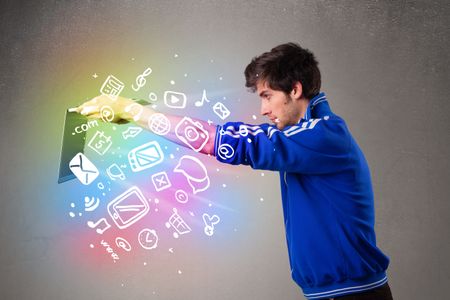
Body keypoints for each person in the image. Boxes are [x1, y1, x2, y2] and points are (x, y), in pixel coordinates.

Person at [75, 43, 393, 300]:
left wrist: (135, 112)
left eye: (268, 96)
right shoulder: (308, 135)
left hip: (354, 295)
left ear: (295, 89)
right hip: (335, 294)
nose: (263, 109)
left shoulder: (322, 136)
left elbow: (231, 142)